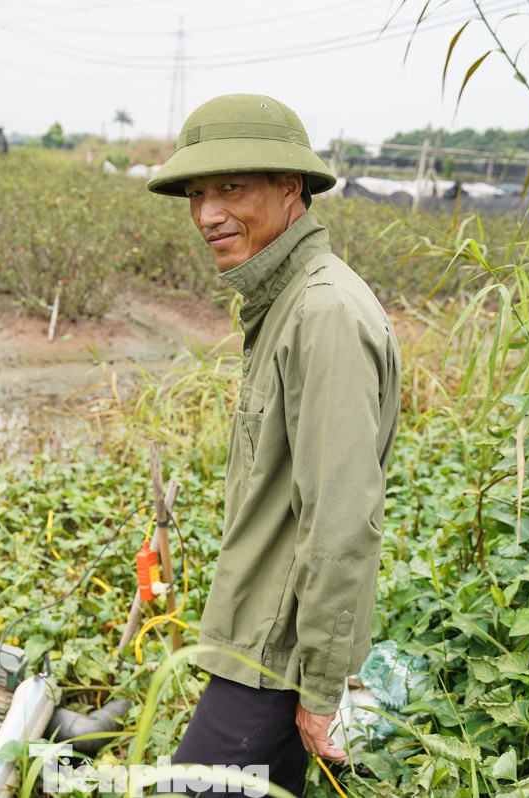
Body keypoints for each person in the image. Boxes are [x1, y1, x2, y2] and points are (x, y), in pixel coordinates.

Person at [146, 94, 401, 796]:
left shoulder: (321, 314)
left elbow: (342, 517)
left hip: (275, 654)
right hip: (256, 641)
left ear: (293, 188)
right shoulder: (285, 303)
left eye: (231, 187)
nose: (207, 215)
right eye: (196, 194)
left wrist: (320, 687)